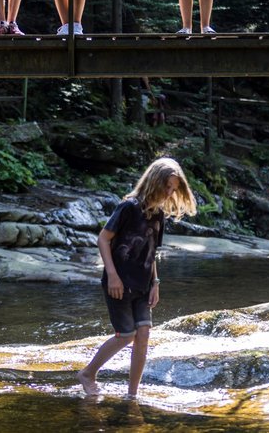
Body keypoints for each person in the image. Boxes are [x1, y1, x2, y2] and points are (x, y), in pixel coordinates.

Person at [77, 157, 197, 398]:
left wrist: (156, 283)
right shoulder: (128, 207)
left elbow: (151, 252)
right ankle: (88, 373)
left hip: (143, 285)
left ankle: (132, 394)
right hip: (118, 283)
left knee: (143, 335)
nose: (169, 192)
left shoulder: (158, 215)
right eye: (167, 186)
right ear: (154, 181)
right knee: (127, 335)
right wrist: (112, 275)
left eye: (174, 189)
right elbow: (103, 239)